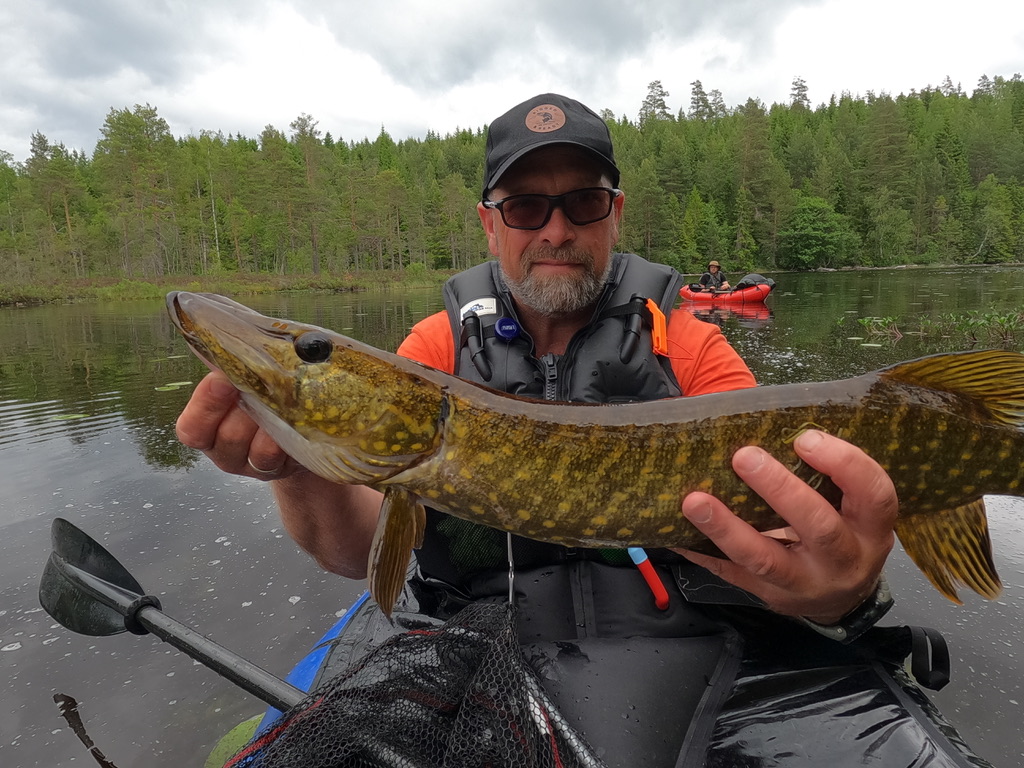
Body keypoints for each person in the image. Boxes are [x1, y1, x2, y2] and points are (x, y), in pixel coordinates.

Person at [175, 93, 901, 757]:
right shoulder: (434, 353)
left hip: (691, 654)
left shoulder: (692, 347)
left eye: (582, 202)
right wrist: (298, 466)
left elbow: (782, 526)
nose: (556, 229)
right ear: (491, 225)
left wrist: (841, 589)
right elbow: (358, 548)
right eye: (526, 207)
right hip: (492, 651)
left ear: (614, 214)